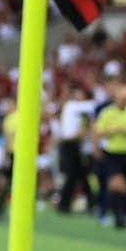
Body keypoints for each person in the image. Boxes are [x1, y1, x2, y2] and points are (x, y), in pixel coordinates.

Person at [92, 83, 126, 230]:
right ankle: (118, 216)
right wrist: (112, 132)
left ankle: (123, 213)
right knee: (116, 183)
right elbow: (98, 132)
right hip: (113, 153)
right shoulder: (107, 113)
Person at [54, 83, 97, 213]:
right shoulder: (72, 107)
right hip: (69, 145)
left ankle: (70, 204)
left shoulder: (80, 108)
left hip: (75, 145)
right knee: (75, 175)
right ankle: (67, 204)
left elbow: (82, 129)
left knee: (79, 175)